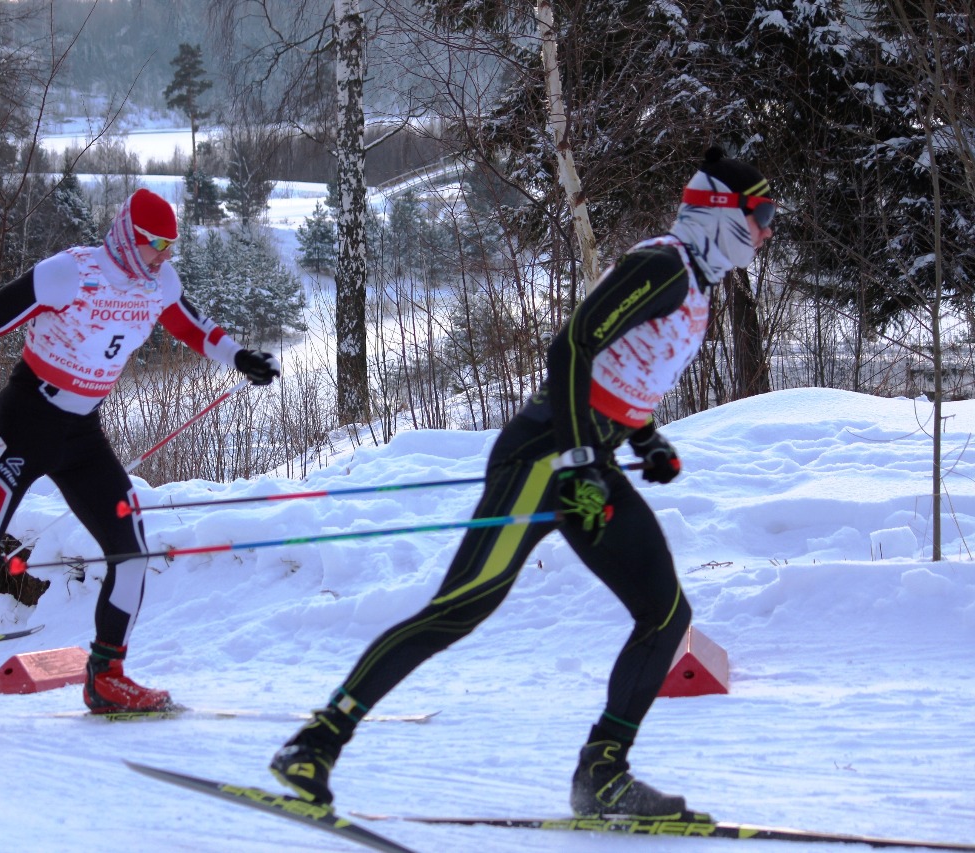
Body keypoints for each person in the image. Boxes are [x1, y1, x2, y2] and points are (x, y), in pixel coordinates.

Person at [270, 147, 776, 817]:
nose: (767, 230)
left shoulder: (698, 288)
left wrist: (646, 440)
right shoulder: (663, 266)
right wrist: (577, 458)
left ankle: (603, 775)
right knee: (458, 609)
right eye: (760, 214)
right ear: (720, 214)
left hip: (583, 471)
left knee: (666, 614)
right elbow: (571, 346)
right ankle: (315, 741)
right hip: (545, 460)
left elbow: (626, 371)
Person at [0, 188, 281, 718]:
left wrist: (240, 357)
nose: (165, 255)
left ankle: (107, 677)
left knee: (131, 550)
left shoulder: (159, 280)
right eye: (156, 243)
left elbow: (190, 325)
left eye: (172, 244)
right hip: (24, 421)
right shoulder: (71, 272)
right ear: (128, 237)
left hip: (81, 433)